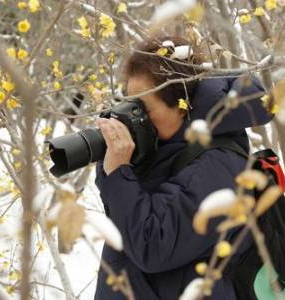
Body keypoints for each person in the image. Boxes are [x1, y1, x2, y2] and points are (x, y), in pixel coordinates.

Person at [93, 35, 274, 299]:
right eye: (131, 103)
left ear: (182, 106)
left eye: (144, 107)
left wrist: (119, 173)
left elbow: (153, 247)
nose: (134, 117)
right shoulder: (165, 146)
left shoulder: (217, 165)